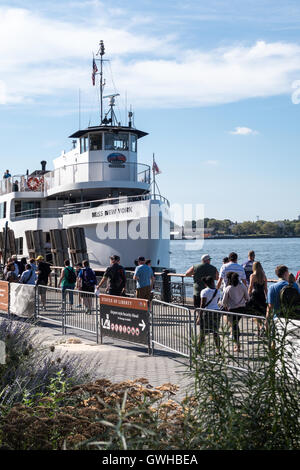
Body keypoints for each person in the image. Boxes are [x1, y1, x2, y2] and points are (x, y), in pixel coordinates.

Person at [221, 272, 250, 352]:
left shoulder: (228, 288)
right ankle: (236, 343)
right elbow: (247, 298)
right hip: (242, 309)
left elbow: (224, 302)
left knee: (234, 326)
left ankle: (237, 345)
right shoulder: (242, 286)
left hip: (232, 309)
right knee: (235, 325)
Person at [197, 276, 222, 354]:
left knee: (203, 333)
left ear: (205, 284)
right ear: (213, 282)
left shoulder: (204, 291)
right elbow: (217, 301)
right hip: (216, 312)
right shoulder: (218, 291)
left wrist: (199, 317)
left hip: (207, 312)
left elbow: (202, 304)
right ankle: (218, 350)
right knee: (215, 332)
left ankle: (198, 349)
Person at [247, 261, 268, 335]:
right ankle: (262, 327)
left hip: (255, 295)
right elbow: (265, 289)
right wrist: (267, 298)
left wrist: (248, 296)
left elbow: (250, 287)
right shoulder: (264, 276)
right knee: (263, 313)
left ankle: (259, 329)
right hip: (262, 295)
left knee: (256, 313)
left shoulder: (252, 276)